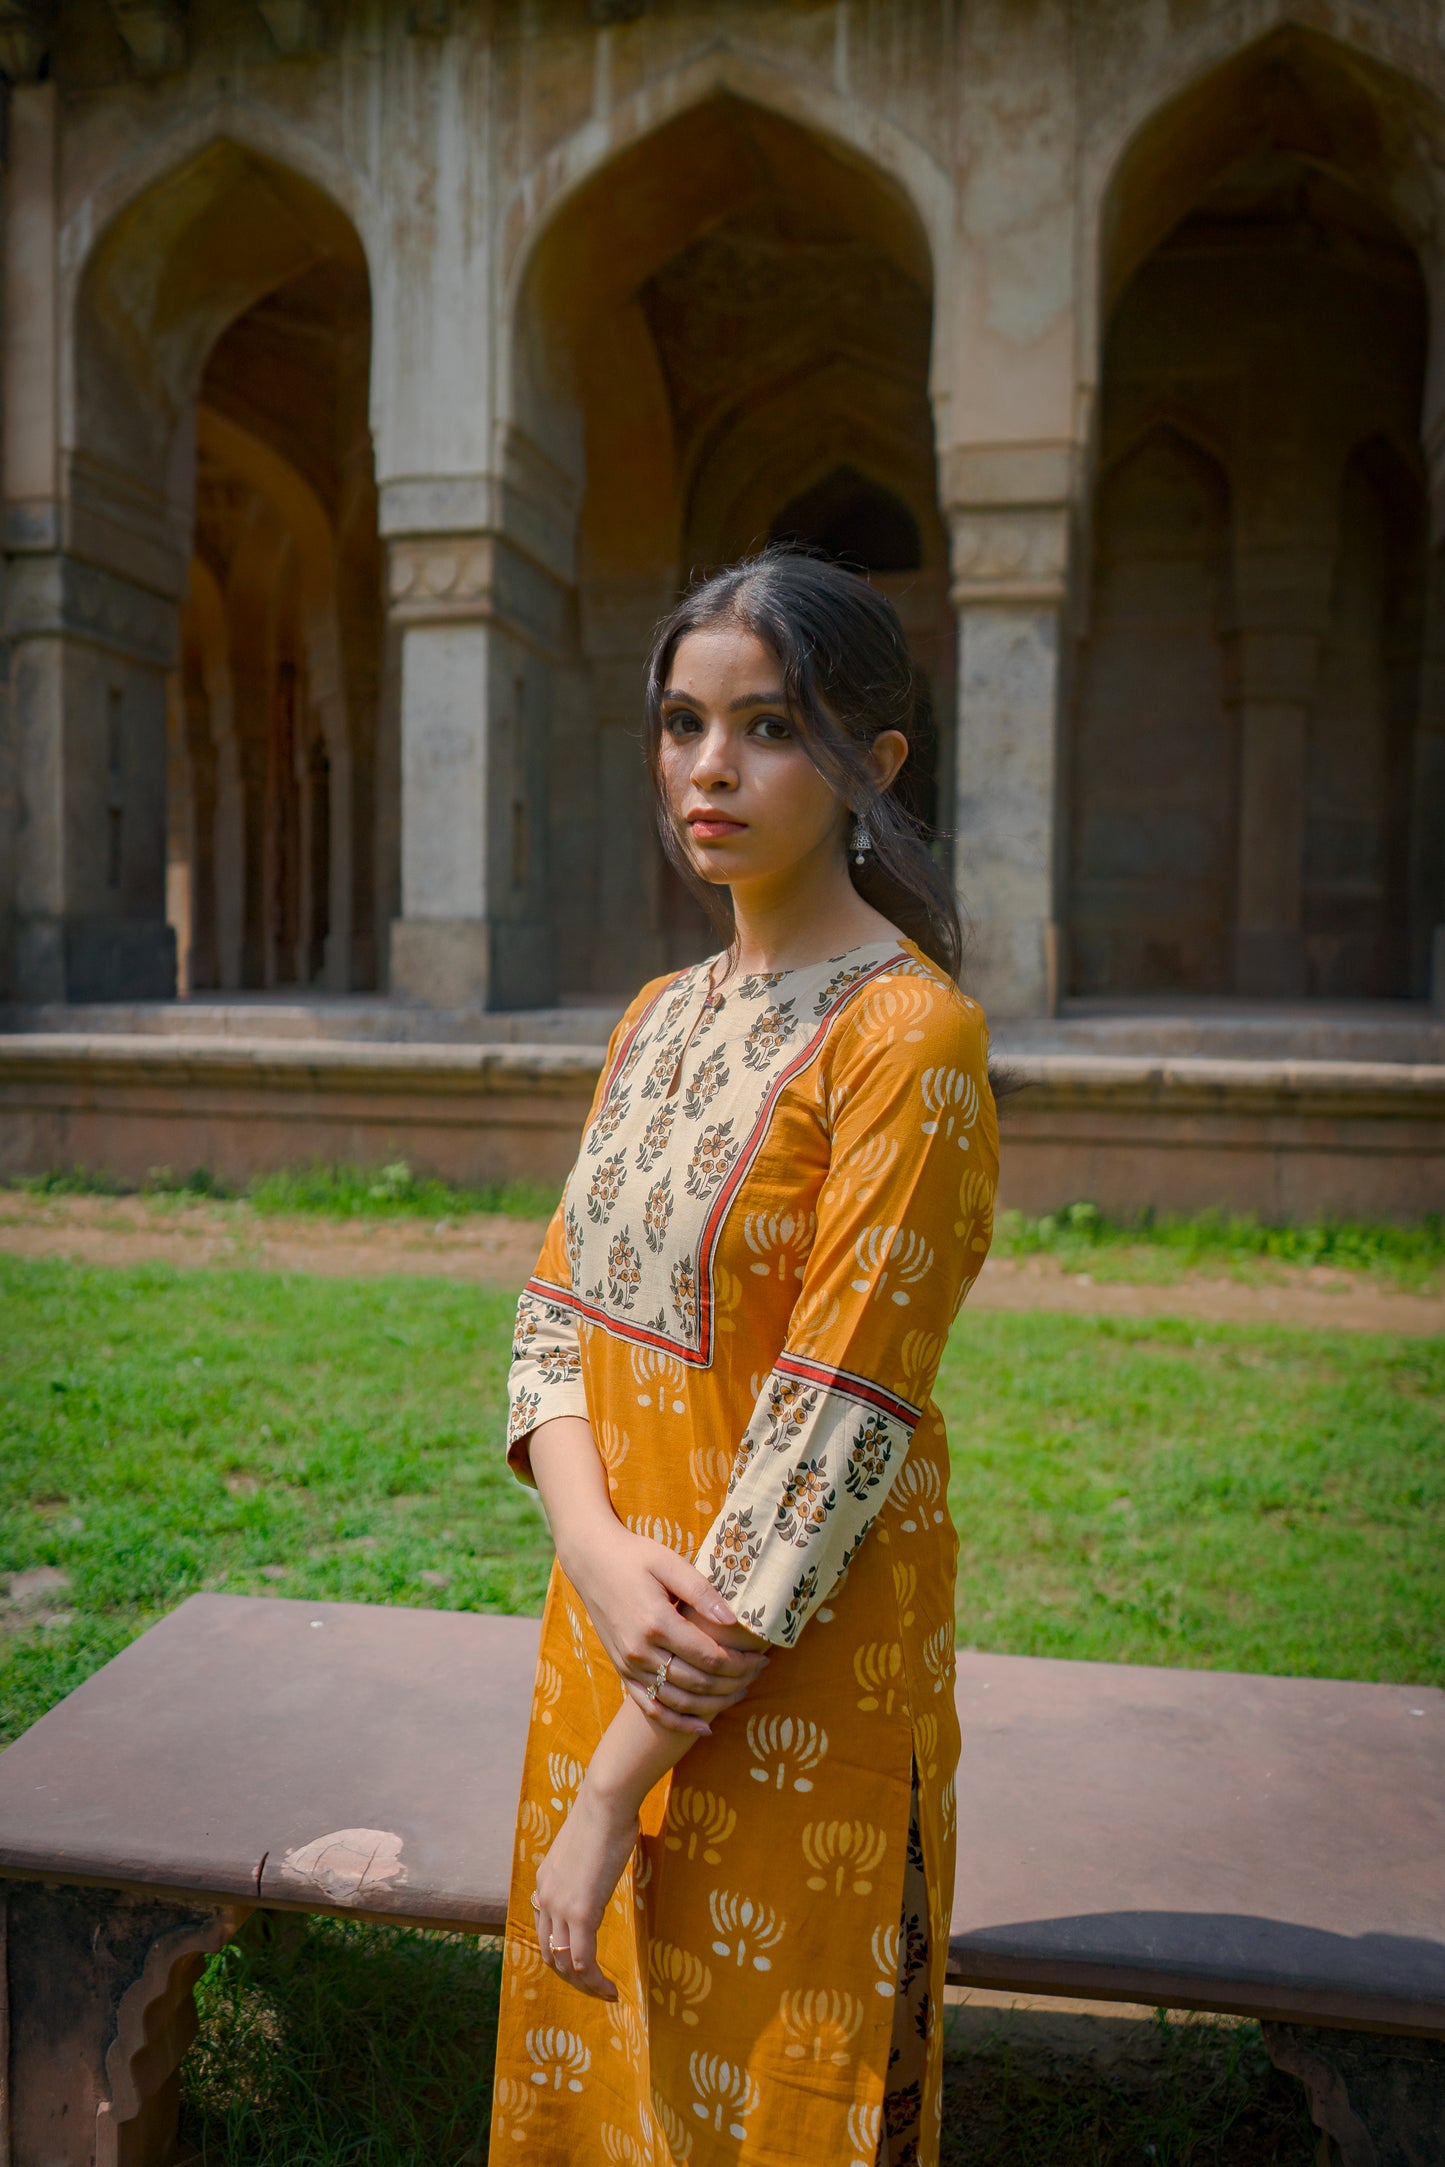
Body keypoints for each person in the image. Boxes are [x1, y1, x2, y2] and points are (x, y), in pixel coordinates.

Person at [489, 548, 998, 2167]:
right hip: (609, 1639)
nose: (709, 769)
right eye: (682, 723)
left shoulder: (906, 1038)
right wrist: (594, 1554)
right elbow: (553, 1315)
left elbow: (821, 1452)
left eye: (767, 726)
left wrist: (601, 1801)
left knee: (774, 2093)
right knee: (602, 2079)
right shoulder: (656, 1017)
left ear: (874, 766)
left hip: (791, 1683)